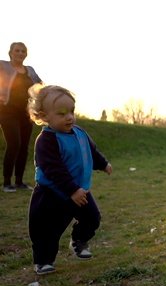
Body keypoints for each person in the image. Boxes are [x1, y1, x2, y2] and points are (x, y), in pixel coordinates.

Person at [26, 84, 112, 275]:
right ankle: (43, 261)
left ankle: (79, 240)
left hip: (79, 192)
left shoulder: (80, 133)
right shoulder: (46, 140)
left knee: (92, 218)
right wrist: (71, 190)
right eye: (62, 113)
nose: (69, 117)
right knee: (46, 231)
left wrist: (103, 164)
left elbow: (92, 152)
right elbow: (53, 169)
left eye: (72, 111)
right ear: (44, 116)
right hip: (52, 194)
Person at [0, 42, 43, 192]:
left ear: (26, 54)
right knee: (14, 143)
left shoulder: (29, 70)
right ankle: (6, 183)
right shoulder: (3, 66)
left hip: (26, 113)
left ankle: (19, 181)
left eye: (23, 51)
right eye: (17, 50)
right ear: (10, 53)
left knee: (24, 146)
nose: (20, 53)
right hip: (7, 112)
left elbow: (40, 84)